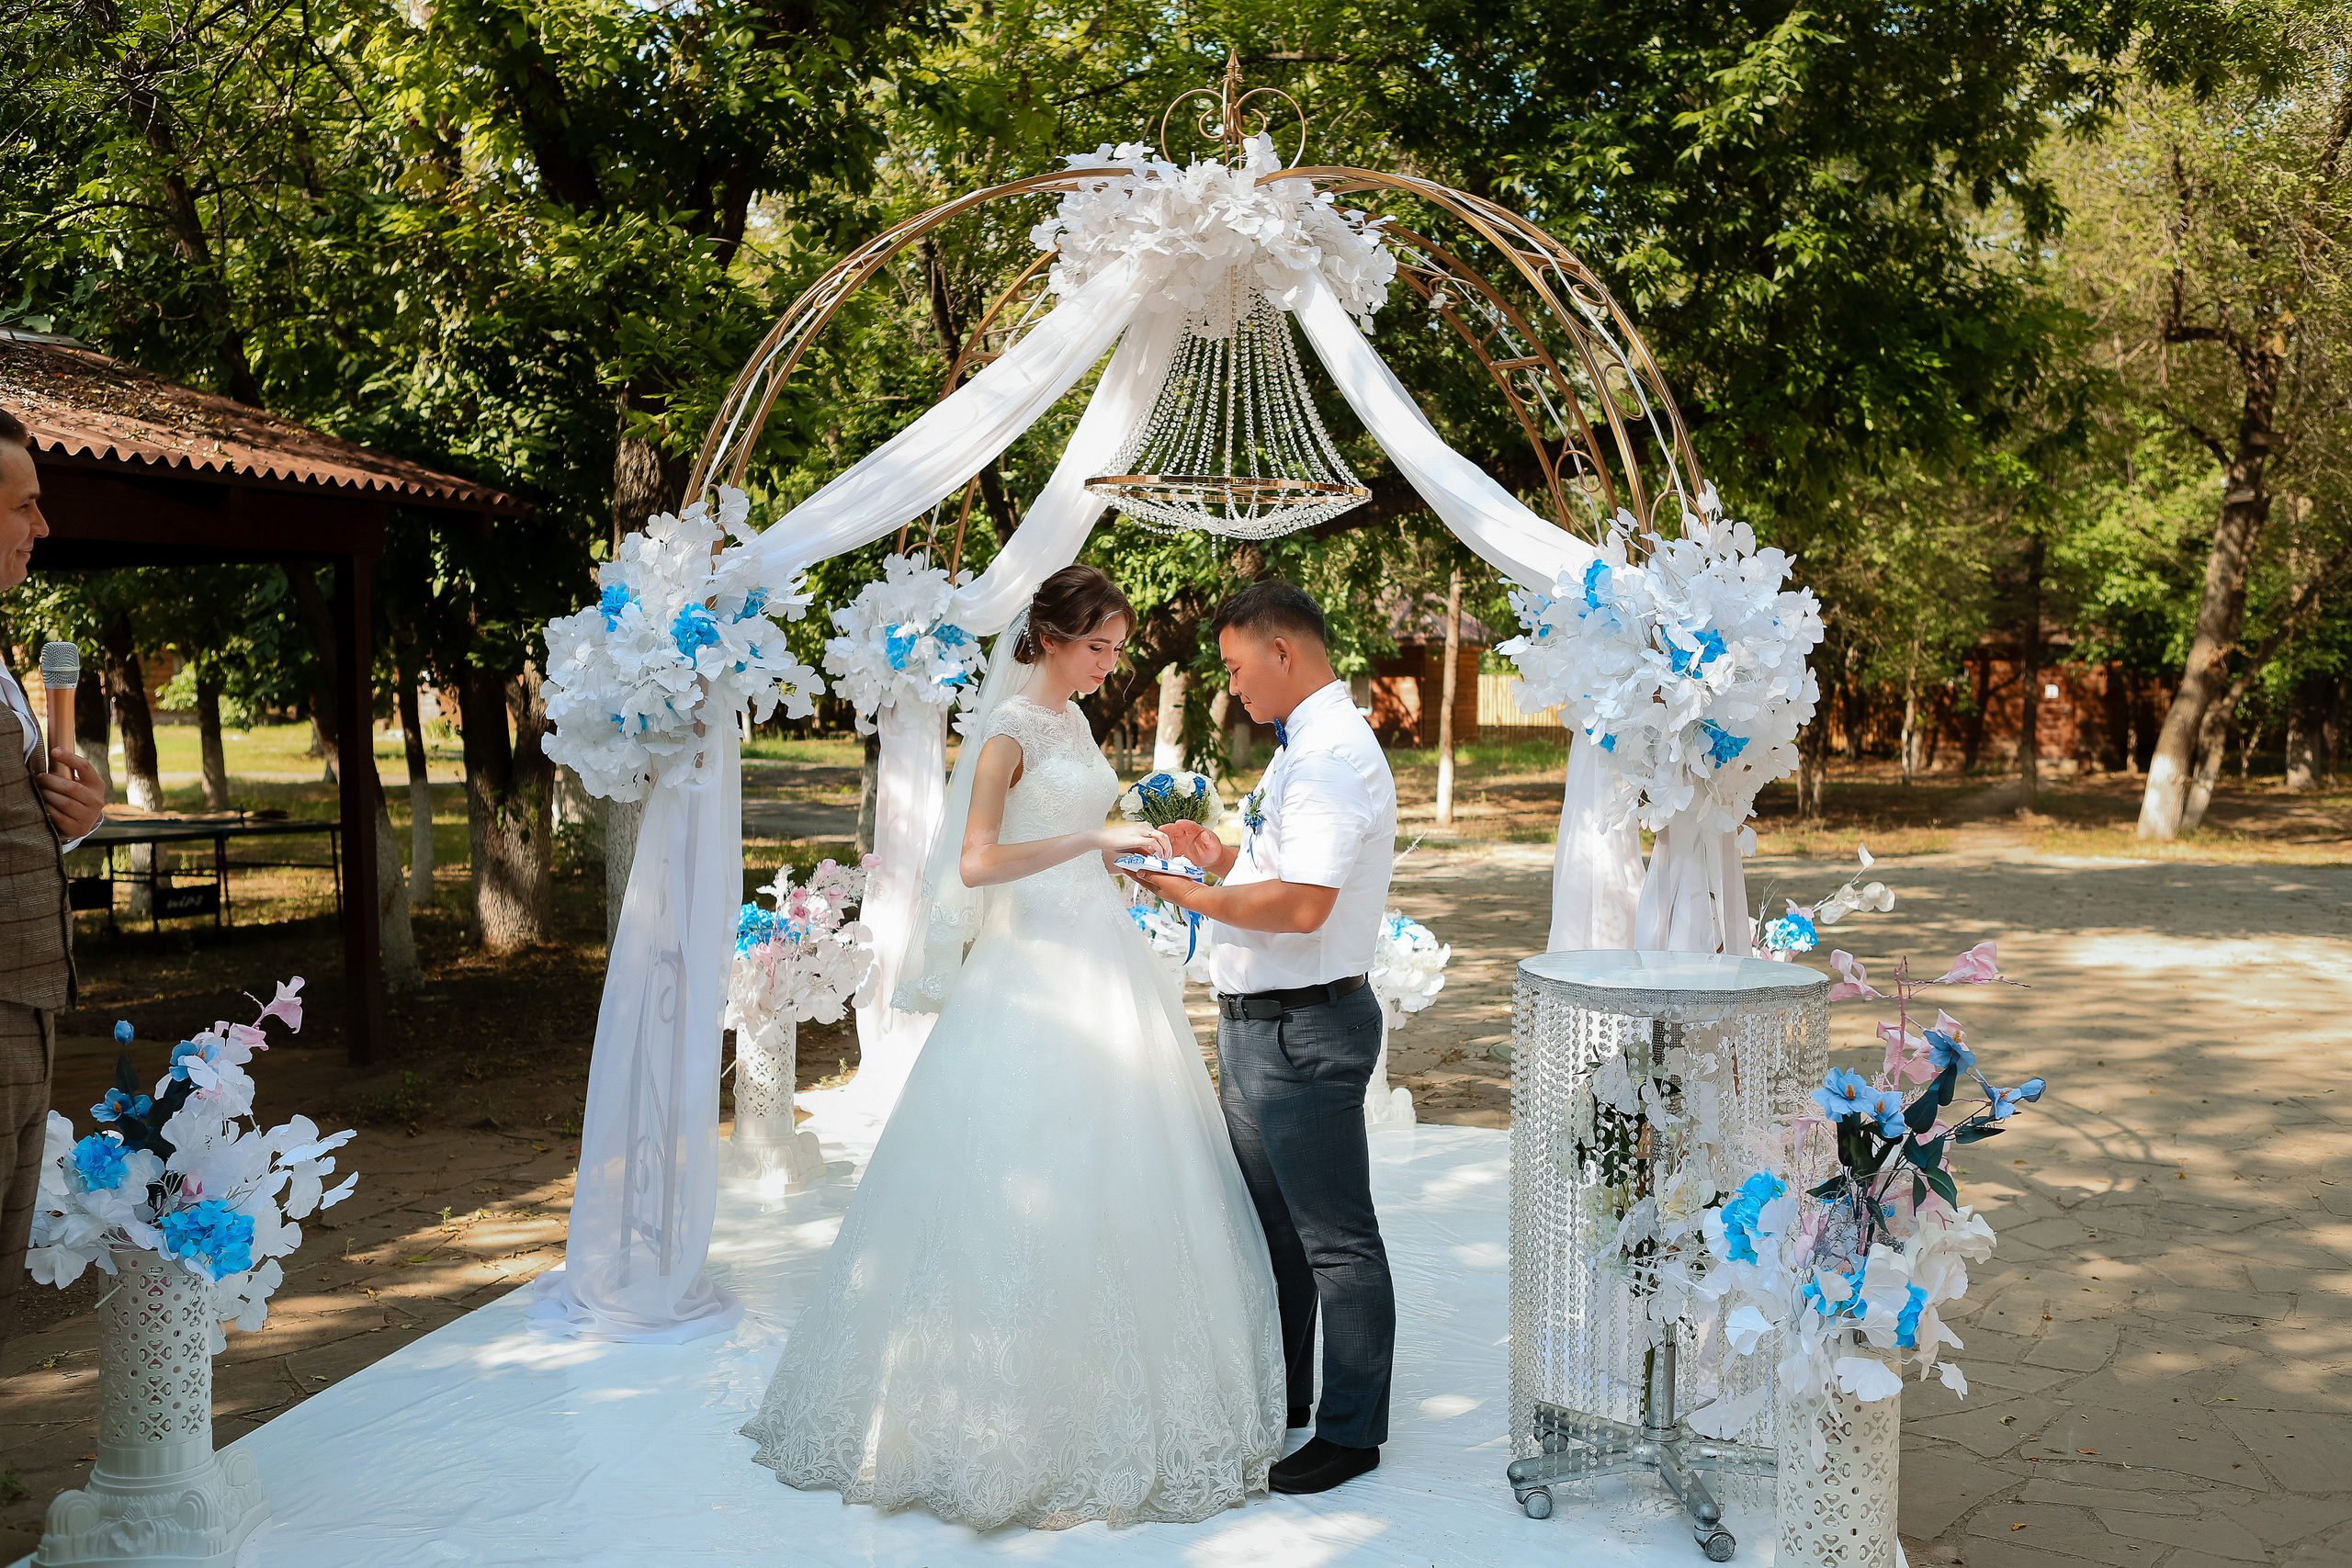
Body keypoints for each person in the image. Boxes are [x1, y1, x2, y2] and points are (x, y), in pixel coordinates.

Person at [741, 563, 1285, 1529]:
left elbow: (1081, 824)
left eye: (1117, 649)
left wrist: (1128, 845)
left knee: (1128, 1157)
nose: (1107, 665)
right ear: (1046, 636)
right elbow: (977, 862)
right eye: (1097, 648)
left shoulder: (1073, 722)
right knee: (1011, 1158)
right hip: (1029, 964)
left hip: (1098, 950)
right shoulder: (1003, 734)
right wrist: (1089, 842)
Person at [1134, 580, 1398, 1497]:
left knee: (1334, 1239)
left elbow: (1300, 905)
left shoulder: (1329, 759)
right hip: (1261, 1026)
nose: (1235, 689)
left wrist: (1194, 896)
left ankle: (1351, 1431)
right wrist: (1217, 857)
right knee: (1270, 1233)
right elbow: (1277, 870)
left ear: (1284, 651)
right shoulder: (1306, 748)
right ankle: (1283, 1396)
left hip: (1303, 1029)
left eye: (1240, 669)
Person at [0, 405, 107, 1354]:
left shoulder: (1, 664)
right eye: (25, 505)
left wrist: (70, 821)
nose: (43, 526)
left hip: (27, 1009)